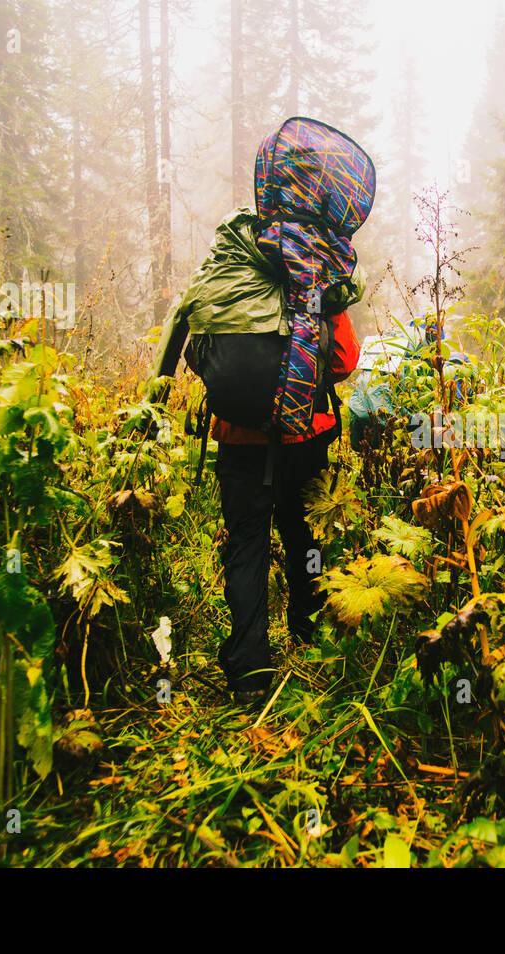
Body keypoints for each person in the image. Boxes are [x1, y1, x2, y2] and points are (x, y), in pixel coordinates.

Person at [148, 209, 364, 706]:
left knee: (246, 548)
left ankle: (249, 674)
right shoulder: (315, 274)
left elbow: (195, 355)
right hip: (306, 440)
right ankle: (309, 642)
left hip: (239, 443)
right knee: (305, 542)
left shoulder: (224, 281)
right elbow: (345, 360)